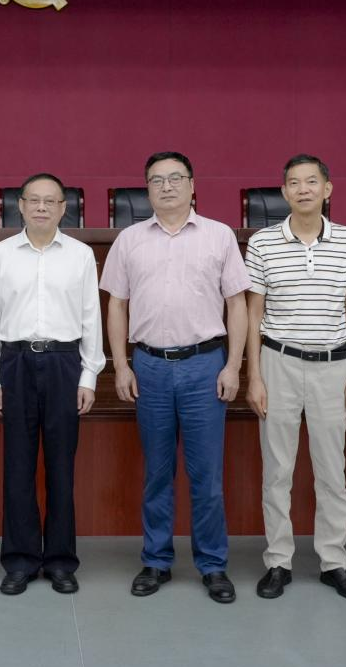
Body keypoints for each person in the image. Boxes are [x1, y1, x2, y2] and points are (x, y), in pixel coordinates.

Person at [100, 151, 249, 604]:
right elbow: (117, 305)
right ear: (146, 189)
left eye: (175, 178)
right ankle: (156, 560)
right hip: (149, 367)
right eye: (156, 180)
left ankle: (213, 565)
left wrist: (233, 365)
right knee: (157, 472)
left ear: (192, 185)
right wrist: (121, 364)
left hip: (205, 365)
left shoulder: (219, 236)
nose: (166, 186)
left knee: (207, 477)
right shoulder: (129, 240)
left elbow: (237, 305)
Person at [245, 154, 346, 601]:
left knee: (331, 472)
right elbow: (253, 313)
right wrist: (254, 376)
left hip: (334, 366)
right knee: (277, 470)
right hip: (278, 362)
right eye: (294, 183)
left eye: (311, 182)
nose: (303, 189)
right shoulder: (262, 243)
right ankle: (278, 562)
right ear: (284, 192)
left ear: (327, 189)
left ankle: (334, 562)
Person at [0, 173, 105, 596]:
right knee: (18, 467)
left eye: (51, 201)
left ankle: (61, 562)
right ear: (21, 206)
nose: (42, 207)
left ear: (64, 208)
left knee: (62, 468)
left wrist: (89, 375)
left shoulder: (81, 255)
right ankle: (20, 560)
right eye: (34, 200)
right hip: (15, 362)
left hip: (65, 362)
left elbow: (91, 317)